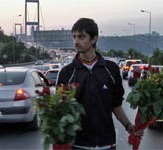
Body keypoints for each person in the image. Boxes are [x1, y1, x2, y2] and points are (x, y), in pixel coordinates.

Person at [56, 18, 135, 150]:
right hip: (78, 145)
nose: (76, 42)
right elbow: (61, 109)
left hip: (107, 143)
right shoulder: (67, 73)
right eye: (74, 37)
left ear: (94, 39)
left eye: (81, 37)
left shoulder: (111, 69)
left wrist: (128, 125)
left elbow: (115, 105)